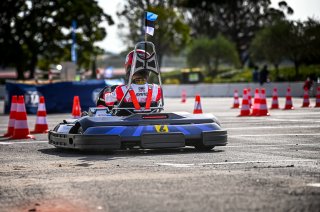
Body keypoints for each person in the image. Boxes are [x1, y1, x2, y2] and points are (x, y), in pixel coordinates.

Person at [96, 49, 162, 115]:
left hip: (127, 123)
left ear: (129, 69)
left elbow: (108, 101)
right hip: (150, 122)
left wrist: (106, 91)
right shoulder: (156, 89)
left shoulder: (121, 90)